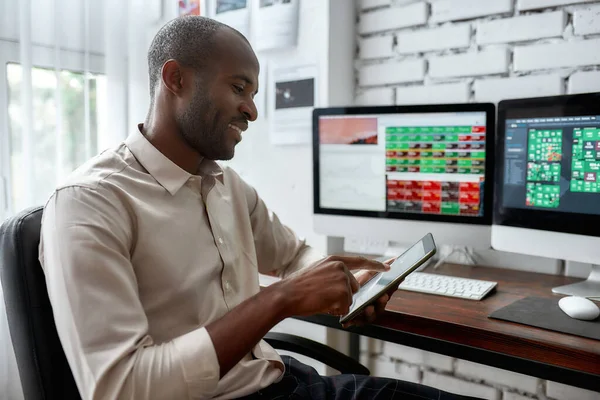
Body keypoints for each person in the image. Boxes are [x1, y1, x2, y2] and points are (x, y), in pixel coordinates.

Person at [39, 16, 480, 400]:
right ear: (175, 79)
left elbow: (292, 257)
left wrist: (344, 283)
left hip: (280, 380)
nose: (251, 110)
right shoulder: (90, 203)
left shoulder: (225, 185)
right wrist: (280, 300)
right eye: (238, 88)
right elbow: (123, 390)